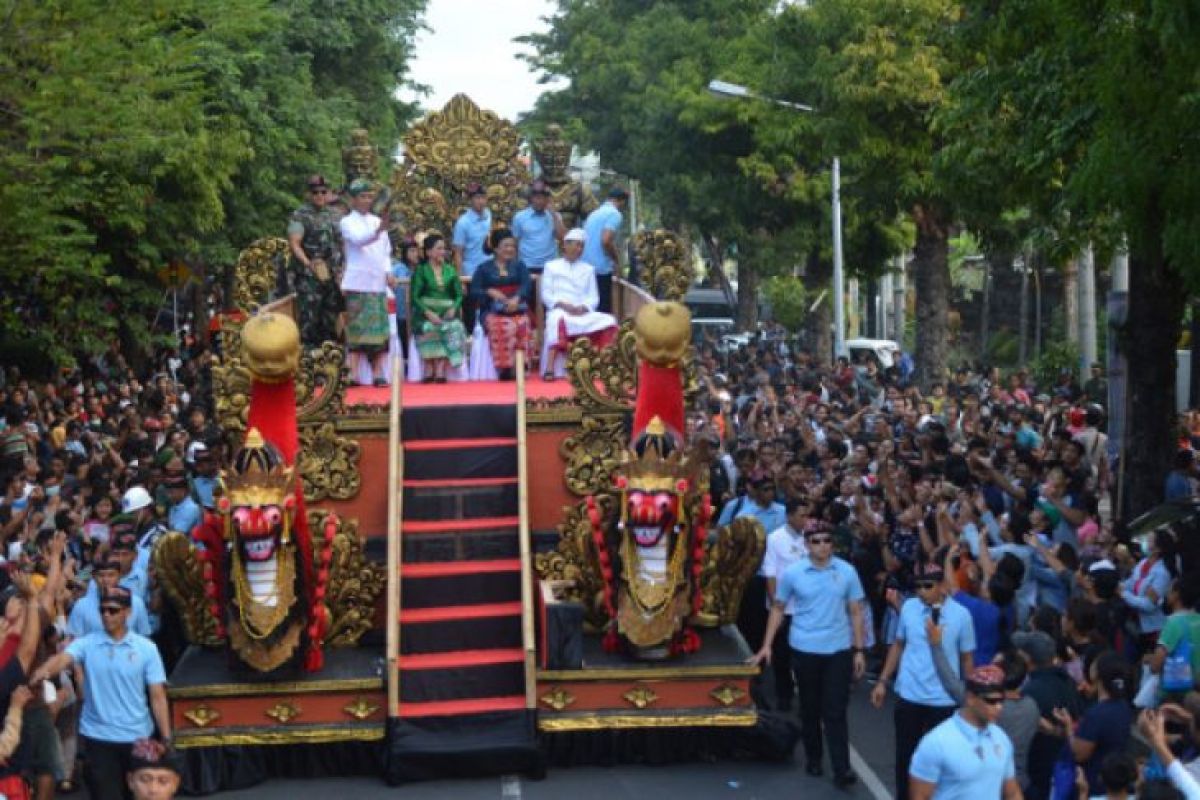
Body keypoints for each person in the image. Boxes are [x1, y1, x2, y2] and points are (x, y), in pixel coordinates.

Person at [751, 523, 866, 789]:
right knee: (811, 708)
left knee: (835, 711)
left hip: (838, 649)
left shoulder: (847, 571)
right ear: (806, 545)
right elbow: (778, 609)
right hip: (804, 648)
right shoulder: (793, 573)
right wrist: (766, 645)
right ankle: (814, 757)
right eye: (816, 541)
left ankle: (842, 769)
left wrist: (859, 650)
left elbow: (856, 611)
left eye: (827, 541)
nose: (822, 546)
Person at [31, 587, 169, 800]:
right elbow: (63, 658)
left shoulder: (146, 649)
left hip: (139, 737)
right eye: (103, 610)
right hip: (98, 738)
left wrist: (166, 737)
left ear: (127, 613)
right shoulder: (87, 643)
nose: (106, 615)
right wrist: (44, 670)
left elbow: (157, 696)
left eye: (113, 610)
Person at [871, 562, 976, 800]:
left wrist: (971, 699)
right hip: (910, 696)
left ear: (943, 586)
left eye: (927, 586)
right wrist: (882, 681)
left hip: (944, 701)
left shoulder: (962, 616)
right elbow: (898, 645)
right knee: (905, 758)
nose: (921, 591)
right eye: (918, 586)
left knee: (941, 762)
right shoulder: (908, 608)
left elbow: (967, 660)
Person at [908, 665, 1023, 800]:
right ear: (970, 698)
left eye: (1001, 701)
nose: (999, 707)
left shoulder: (1001, 739)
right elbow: (919, 796)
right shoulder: (936, 742)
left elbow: (1012, 793)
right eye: (991, 701)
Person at [538, 228, 617, 380]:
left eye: (581, 246)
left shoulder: (588, 269)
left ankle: (605, 364)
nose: (579, 249)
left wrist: (583, 307)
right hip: (560, 309)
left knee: (608, 320)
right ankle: (550, 368)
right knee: (557, 320)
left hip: (581, 311)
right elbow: (546, 295)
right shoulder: (551, 266)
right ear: (565, 246)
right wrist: (563, 305)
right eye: (576, 245)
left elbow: (593, 298)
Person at [1053, 650, 1134, 796]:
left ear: (1098, 675)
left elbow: (1079, 754)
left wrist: (1069, 728)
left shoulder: (1097, 714)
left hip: (1093, 784)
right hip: (1112, 783)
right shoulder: (1123, 707)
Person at [338, 179, 392, 387]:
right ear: (352, 199)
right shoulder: (347, 222)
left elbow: (385, 251)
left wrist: (388, 272)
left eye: (370, 196)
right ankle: (353, 373)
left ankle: (378, 373)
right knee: (357, 329)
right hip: (357, 282)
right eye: (362, 196)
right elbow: (359, 240)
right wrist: (378, 231)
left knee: (379, 331)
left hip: (377, 282)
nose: (367, 200)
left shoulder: (376, 221)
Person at [759, 497, 810, 711]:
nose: (806, 520)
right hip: (783, 608)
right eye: (802, 516)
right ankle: (784, 695)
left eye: (808, 515)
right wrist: (775, 607)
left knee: (805, 656)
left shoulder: (811, 539)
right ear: (789, 516)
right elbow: (770, 575)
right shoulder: (775, 539)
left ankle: (807, 697)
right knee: (782, 656)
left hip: (806, 609)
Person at [285, 174, 344, 347]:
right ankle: (309, 356)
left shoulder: (335, 215)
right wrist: (308, 264)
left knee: (331, 316)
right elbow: (295, 244)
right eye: (315, 192)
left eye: (323, 191)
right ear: (309, 194)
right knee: (310, 317)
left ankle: (330, 354)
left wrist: (343, 268)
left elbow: (343, 242)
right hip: (309, 275)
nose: (319, 195)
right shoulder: (300, 215)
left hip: (331, 273)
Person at [471, 228, 533, 380]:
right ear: (496, 248)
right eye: (506, 245)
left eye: (512, 246)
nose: (510, 249)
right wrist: (489, 293)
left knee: (522, 323)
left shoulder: (520, 266)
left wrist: (517, 298)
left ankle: (521, 364)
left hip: (516, 308)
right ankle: (505, 367)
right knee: (504, 324)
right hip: (493, 311)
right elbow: (474, 291)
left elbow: (526, 285)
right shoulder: (483, 268)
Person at [410, 234, 467, 383]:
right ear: (428, 252)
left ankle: (441, 368)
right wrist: (428, 313)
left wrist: (454, 308)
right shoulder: (421, 271)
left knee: (452, 326)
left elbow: (459, 295)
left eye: (444, 248)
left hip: (447, 314)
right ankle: (429, 367)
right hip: (426, 314)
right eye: (439, 248)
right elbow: (415, 297)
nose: (443, 251)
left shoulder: (451, 270)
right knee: (429, 327)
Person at [67, 560, 151, 638]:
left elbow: (144, 636)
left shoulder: (136, 603)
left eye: (111, 575)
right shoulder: (81, 605)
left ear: (120, 576)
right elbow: (74, 639)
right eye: (101, 575)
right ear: (94, 577)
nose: (106, 580)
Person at [581, 186, 628, 313]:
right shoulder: (615, 214)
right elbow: (606, 240)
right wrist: (616, 260)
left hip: (585, 267)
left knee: (589, 309)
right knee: (603, 311)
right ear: (622, 201)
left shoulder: (594, 214)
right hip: (600, 270)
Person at [511, 179, 563, 274]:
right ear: (531, 198)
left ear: (547, 199)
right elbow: (515, 242)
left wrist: (554, 216)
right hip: (527, 265)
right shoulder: (520, 217)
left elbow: (561, 238)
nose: (540, 201)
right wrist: (515, 266)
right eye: (537, 198)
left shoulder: (555, 216)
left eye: (543, 198)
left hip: (549, 265)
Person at [452, 183, 492, 280]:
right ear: (471, 200)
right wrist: (460, 279)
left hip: (490, 269)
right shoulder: (463, 223)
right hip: (472, 272)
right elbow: (458, 253)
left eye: (483, 198)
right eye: (477, 198)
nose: (481, 201)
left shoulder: (488, 214)